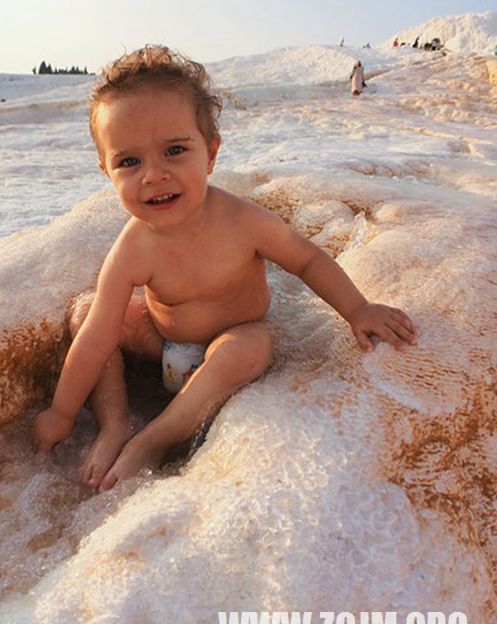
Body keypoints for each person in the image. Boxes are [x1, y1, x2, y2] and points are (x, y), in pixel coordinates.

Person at [33, 46, 417, 491]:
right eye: (129, 161)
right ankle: (114, 424)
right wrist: (61, 412)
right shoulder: (132, 248)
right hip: (166, 344)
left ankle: (157, 436)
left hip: (235, 339)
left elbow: (307, 259)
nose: (153, 175)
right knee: (87, 314)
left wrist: (359, 309)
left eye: (175, 151)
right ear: (106, 171)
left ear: (210, 154)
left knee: (246, 348)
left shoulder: (243, 221)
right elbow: (99, 335)